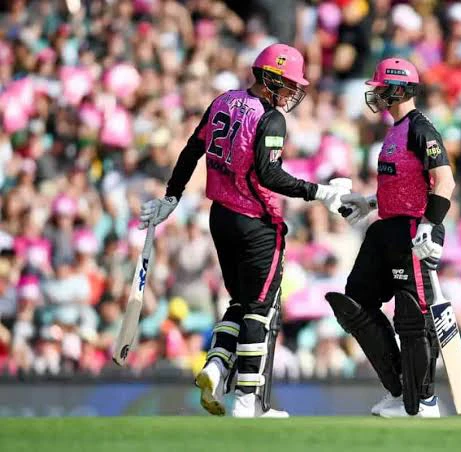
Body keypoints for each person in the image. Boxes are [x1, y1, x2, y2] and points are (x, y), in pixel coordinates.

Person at [139, 43, 350, 418]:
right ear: (270, 79)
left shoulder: (224, 100)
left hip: (220, 217)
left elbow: (192, 149)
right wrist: (318, 192)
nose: (292, 93)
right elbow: (269, 175)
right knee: (259, 310)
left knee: (239, 303)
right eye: (287, 84)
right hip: (257, 221)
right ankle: (247, 399)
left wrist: (171, 196)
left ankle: (216, 366)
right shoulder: (271, 118)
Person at [326, 58, 455, 417]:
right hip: (387, 227)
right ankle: (401, 390)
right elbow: (400, 185)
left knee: (413, 316)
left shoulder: (421, 128)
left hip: (415, 229)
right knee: (356, 302)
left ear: (398, 89)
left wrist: (430, 224)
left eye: (381, 88)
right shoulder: (393, 130)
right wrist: (367, 203)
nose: (376, 94)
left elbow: (444, 182)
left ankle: (424, 401)